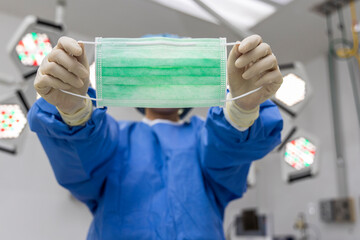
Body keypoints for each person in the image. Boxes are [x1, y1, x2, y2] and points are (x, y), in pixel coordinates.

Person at [28, 34, 283, 240]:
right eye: (154, 68)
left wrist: (241, 110)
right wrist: (74, 113)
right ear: (137, 79)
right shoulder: (115, 138)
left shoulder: (205, 135)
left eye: (176, 68)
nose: (165, 75)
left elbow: (227, 155)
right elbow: (79, 166)